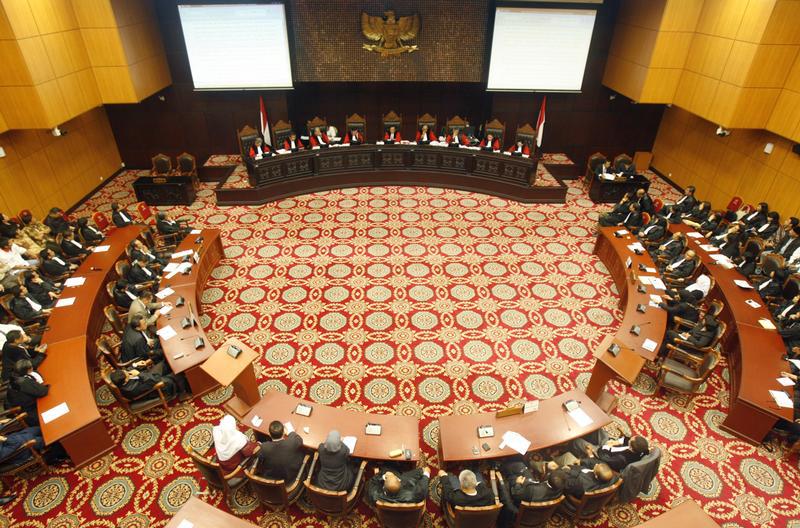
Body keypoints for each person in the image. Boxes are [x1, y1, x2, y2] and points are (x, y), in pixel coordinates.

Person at [109, 362, 189, 402]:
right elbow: (153, 382)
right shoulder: (132, 389)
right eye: (127, 374)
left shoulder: (122, 378)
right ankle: (183, 393)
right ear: (126, 380)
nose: (127, 371)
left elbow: (127, 371)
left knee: (165, 363)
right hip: (155, 388)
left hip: (148, 377)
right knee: (178, 374)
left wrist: (135, 365)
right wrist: (139, 374)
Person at [7, 359, 49, 426]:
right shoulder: (23, 382)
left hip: (22, 407)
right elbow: (43, 392)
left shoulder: (14, 376)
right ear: (28, 370)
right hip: (29, 414)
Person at [366, 465, 431, 505]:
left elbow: (372, 481)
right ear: (399, 481)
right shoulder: (415, 495)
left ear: (384, 486)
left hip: (387, 515)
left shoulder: (374, 495)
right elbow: (423, 489)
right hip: (407, 483)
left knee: (386, 468)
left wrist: (383, 476)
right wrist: (426, 473)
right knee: (422, 470)